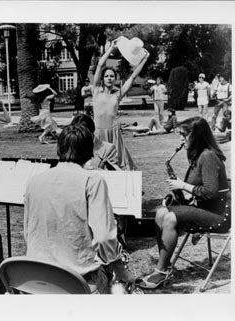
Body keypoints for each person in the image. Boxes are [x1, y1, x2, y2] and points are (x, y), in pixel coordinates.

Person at [24, 125, 135, 294]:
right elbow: (104, 237)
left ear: (58, 149)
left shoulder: (34, 181)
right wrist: (121, 271)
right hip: (78, 280)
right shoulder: (93, 181)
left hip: (37, 278)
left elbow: (28, 232)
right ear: (89, 150)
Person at [139, 117, 229, 289]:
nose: (181, 139)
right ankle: (163, 266)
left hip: (218, 216)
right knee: (160, 212)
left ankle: (162, 271)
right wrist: (185, 190)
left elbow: (211, 192)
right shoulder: (198, 155)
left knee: (169, 218)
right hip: (204, 208)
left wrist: (182, 185)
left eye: (183, 135)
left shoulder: (208, 156)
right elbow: (200, 189)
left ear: (196, 136)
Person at [93, 38, 149, 170]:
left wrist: (144, 59)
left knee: (116, 164)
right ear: (102, 79)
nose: (109, 78)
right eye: (106, 76)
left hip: (114, 133)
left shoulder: (118, 94)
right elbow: (100, 65)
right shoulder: (96, 90)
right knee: (97, 165)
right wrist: (111, 49)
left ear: (115, 79)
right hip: (98, 133)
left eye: (112, 76)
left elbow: (133, 76)